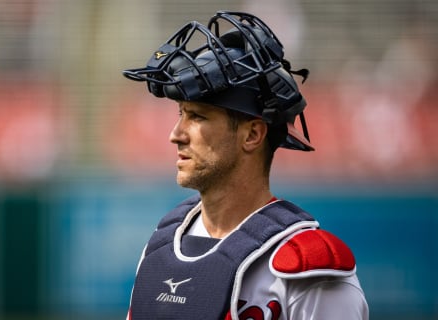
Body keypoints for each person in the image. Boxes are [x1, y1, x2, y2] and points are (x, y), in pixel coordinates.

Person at [122, 11, 368, 320]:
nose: (176, 135)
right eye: (180, 114)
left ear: (252, 134)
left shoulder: (308, 269)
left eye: (198, 117)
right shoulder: (163, 247)